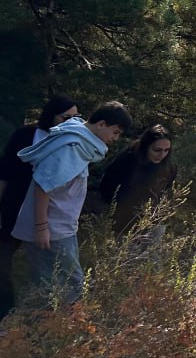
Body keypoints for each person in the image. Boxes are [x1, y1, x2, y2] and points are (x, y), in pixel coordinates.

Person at [11, 101, 132, 307]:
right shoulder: (71, 147)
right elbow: (43, 186)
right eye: (115, 132)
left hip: (62, 226)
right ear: (101, 124)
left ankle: (46, 330)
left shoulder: (80, 141)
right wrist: (41, 227)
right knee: (68, 284)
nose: (115, 138)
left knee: (57, 282)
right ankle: (49, 331)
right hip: (52, 227)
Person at [0, 96, 79, 317]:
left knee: (47, 273)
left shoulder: (75, 142)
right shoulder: (25, 136)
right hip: (13, 210)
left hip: (48, 219)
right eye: (65, 117)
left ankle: (50, 320)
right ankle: (5, 317)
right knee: (2, 268)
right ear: (51, 116)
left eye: (75, 118)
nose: (69, 123)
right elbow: (4, 173)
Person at [98, 124, 177, 237]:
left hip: (153, 220)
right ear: (146, 147)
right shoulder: (127, 162)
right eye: (157, 150)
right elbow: (106, 188)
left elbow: (166, 192)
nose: (162, 155)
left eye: (166, 150)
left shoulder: (169, 167)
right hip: (123, 223)